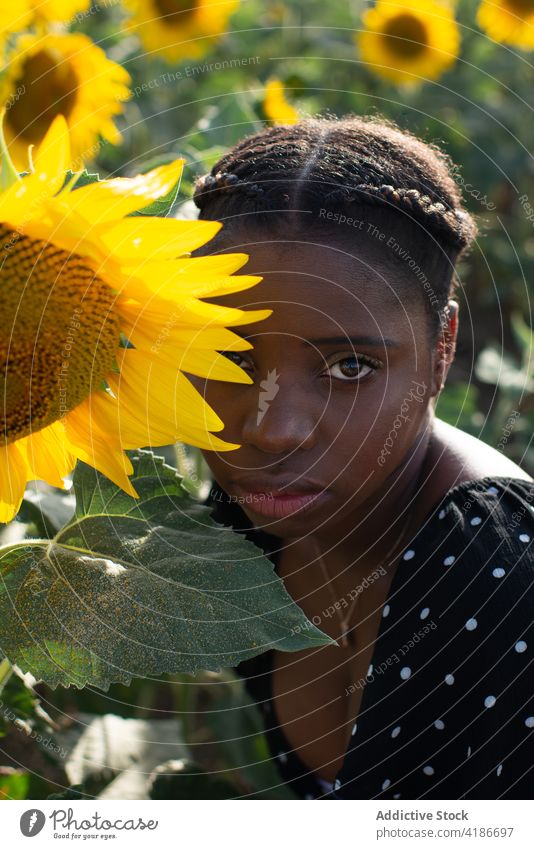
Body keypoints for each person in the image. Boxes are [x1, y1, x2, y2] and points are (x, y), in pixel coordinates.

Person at [187, 115, 534, 800]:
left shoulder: (499, 571)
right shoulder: (237, 525)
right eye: (229, 356)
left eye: (350, 365)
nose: (274, 430)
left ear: (442, 349)